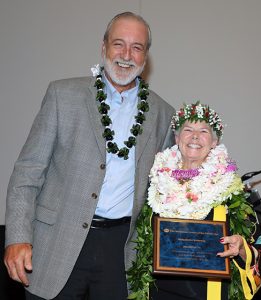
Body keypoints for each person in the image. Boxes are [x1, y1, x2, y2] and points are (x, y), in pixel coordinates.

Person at [4, 12, 175, 300]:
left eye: (137, 47)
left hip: (121, 252)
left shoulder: (163, 114)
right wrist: (18, 237)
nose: (126, 55)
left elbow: (168, 191)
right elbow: (27, 172)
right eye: (118, 44)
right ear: (104, 46)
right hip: (55, 243)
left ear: (146, 56)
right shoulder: (63, 95)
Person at [127, 102, 261, 300]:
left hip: (209, 293)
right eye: (188, 129)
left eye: (203, 131)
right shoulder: (154, 184)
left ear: (214, 142)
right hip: (159, 291)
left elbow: (259, 250)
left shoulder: (233, 191)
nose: (195, 136)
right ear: (177, 138)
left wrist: (242, 248)